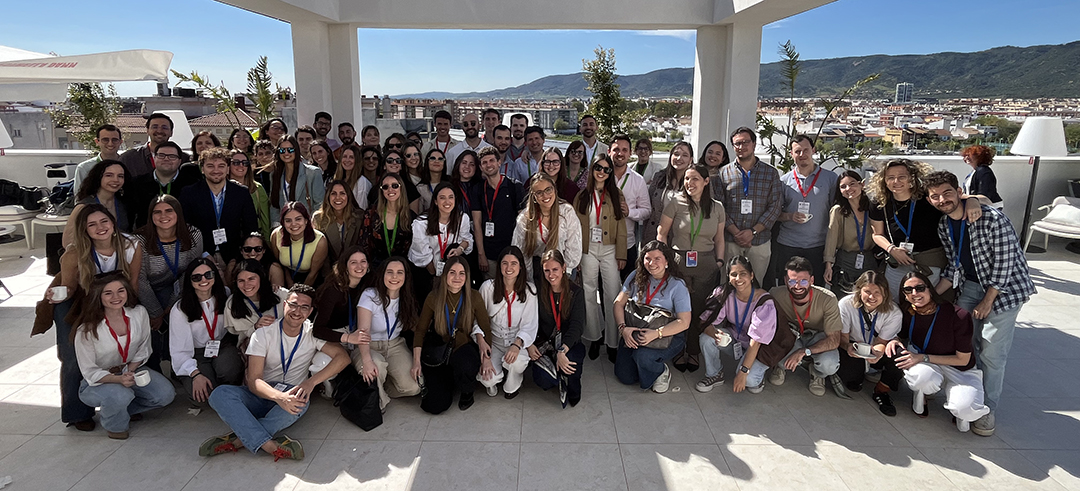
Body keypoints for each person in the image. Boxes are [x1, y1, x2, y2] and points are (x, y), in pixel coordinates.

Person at [926, 170, 1034, 436]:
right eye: (935, 196)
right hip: (971, 285)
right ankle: (968, 398)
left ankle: (987, 408)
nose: (942, 200)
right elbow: (954, 266)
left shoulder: (991, 218)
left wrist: (988, 300)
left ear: (960, 192)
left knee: (992, 351)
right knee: (966, 343)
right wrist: (931, 295)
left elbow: (1006, 263)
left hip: (1005, 290)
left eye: (947, 193)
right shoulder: (944, 225)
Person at [201, 284, 350, 460]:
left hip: (292, 393)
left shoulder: (312, 332)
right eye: (293, 304)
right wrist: (279, 397)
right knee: (219, 394)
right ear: (284, 305)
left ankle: (238, 440)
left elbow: (343, 358)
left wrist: (310, 383)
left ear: (310, 311)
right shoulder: (263, 334)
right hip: (263, 392)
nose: (297, 311)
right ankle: (270, 445)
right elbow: (254, 380)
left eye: (304, 307)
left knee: (302, 401)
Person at [47, 203, 142, 432]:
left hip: (117, 300)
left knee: (126, 347)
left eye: (104, 221)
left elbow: (134, 284)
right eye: (92, 224)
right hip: (80, 303)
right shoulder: (74, 252)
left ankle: (126, 403)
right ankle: (77, 412)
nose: (100, 227)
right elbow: (69, 288)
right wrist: (56, 295)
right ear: (85, 230)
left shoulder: (131, 245)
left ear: (113, 223)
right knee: (72, 356)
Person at [74, 273, 175, 439]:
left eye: (121, 291)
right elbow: (90, 372)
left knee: (165, 394)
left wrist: (130, 370)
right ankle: (115, 426)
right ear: (98, 297)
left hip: (131, 370)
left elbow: (144, 347)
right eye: (108, 293)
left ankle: (121, 410)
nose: (116, 297)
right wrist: (118, 379)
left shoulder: (139, 313)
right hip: (98, 381)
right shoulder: (87, 330)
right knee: (122, 394)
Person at [888, 272, 990, 433]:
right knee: (922, 378)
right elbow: (902, 334)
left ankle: (960, 411)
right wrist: (895, 340)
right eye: (908, 290)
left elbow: (963, 360)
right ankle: (921, 394)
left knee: (967, 408)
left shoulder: (959, 315)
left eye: (919, 288)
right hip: (926, 363)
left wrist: (923, 357)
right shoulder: (909, 312)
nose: (915, 294)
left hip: (958, 367)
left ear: (930, 289)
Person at [868, 159, 980, 303]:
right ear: (884, 180)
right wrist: (891, 249)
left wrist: (973, 200)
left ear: (911, 177)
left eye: (902, 176)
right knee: (894, 305)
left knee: (925, 305)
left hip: (929, 264)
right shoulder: (880, 202)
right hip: (897, 261)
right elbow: (877, 234)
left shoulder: (926, 197)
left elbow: (958, 199)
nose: (896, 181)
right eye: (890, 178)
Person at [657, 163, 725, 372]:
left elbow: (720, 239)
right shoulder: (675, 202)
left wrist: (719, 262)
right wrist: (665, 261)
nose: (689, 183)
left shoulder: (717, 207)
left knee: (699, 311)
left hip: (706, 265)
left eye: (695, 178)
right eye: (686, 178)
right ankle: (677, 348)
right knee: (679, 310)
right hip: (679, 264)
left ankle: (693, 351)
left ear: (706, 181)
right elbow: (662, 233)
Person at [697, 256, 794, 394]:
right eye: (733, 274)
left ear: (752, 276)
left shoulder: (763, 302)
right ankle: (714, 374)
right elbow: (705, 322)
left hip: (760, 347)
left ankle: (758, 377)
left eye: (743, 274)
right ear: (728, 277)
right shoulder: (724, 294)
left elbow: (756, 342)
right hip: (737, 339)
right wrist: (715, 334)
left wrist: (743, 372)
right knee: (706, 339)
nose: (738, 279)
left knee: (749, 382)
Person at [411, 257, 493, 413]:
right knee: (434, 406)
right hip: (440, 349)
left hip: (464, 348)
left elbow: (486, 329)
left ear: (467, 276)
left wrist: (487, 359)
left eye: (462, 273)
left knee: (466, 365)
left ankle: (467, 391)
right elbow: (420, 331)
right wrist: (416, 362)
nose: (457, 278)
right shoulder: (433, 297)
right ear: (445, 275)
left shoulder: (474, 297)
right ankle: (448, 380)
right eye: (452, 272)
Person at [612, 241, 691, 392]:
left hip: (666, 334)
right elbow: (618, 304)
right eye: (647, 258)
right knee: (625, 376)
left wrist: (656, 333)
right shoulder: (635, 276)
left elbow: (684, 322)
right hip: (636, 330)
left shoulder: (677, 285)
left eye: (657, 259)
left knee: (643, 357)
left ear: (667, 261)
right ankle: (644, 365)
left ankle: (661, 370)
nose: (651, 263)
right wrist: (623, 328)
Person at [136, 195, 204, 369]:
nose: (163, 216)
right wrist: (156, 312)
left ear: (178, 213)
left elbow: (192, 271)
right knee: (149, 321)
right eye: (157, 212)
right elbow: (139, 278)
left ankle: (178, 363)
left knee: (180, 310)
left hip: (180, 287)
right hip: (148, 289)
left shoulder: (193, 234)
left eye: (168, 211)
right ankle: (153, 365)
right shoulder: (140, 239)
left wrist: (170, 305)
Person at [170, 259, 244, 407]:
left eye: (208, 275)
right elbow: (179, 350)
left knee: (231, 372)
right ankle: (183, 376)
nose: (203, 280)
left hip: (222, 346)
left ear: (215, 276)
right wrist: (195, 374)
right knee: (204, 396)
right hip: (195, 353)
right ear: (189, 281)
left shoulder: (226, 294)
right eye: (197, 277)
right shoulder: (180, 309)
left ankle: (217, 375)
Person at [574, 153, 627, 362]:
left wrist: (622, 253)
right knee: (588, 292)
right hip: (588, 249)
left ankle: (613, 341)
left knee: (613, 292)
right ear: (592, 169)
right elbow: (575, 229)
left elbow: (622, 226)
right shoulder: (582, 195)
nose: (602, 172)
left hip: (610, 249)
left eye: (607, 169)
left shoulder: (616, 194)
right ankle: (594, 336)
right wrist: (576, 255)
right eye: (599, 167)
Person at [352, 257, 423, 409]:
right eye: (389, 272)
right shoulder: (370, 295)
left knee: (413, 387)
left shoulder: (406, 297)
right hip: (368, 345)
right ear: (382, 274)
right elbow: (362, 333)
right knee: (375, 364)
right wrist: (366, 360)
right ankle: (378, 402)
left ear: (406, 276)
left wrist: (417, 361)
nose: (394, 277)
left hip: (395, 345)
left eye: (399, 272)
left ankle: (380, 388)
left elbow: (418, 330)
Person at [768, 256, 843, 397]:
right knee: (780, 359)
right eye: (792, 281)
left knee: (829, 364)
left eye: (803, 281)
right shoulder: (775, 294)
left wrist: (804, 352)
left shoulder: (828, 299)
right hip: (792, 335)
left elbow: (834, 340)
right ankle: (780, 366)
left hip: (818, 338)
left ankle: (817, 373)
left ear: (812, 281)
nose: (797, 286)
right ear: (785, 281)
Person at [717, 127, 783, 283]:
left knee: (755, 284)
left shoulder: (770, 173)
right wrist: (736, 232)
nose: (741, 147)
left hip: (759, 241)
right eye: (737, 144)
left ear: (754, 144)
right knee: (728, 284)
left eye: (745, 142)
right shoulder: (723, 173)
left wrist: (752, 232)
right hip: (730, 241)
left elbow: (775, 206)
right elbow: (719, 208)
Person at [773, 135, 838, 286]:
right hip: (788, 245)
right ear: (791, 154)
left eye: (805, 150)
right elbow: (775, 214)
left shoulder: (830, 179)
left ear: (813, 151)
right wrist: (790, 216)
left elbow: (836, 212)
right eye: (797, 151)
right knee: (787, 288)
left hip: (818, 246)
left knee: (815, 290)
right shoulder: (784, 181)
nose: (802, 155)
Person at [837, 271, 904, 415]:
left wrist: (878, 352)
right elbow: (843, 337)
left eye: (877, 292)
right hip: (854, 346)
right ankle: (857, 375)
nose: (872, 297)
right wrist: (847, 346)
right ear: (859, 290)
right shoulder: (846, 304)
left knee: (899, 355)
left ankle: (882, 389)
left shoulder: (894, 312)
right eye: (867, 291)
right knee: (852, 381)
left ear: (885, 293)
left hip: (877, 347)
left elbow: (882, 341)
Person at [180, 147, 260, 266]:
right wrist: (203, 254)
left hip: (234, 257)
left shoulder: (241, 193)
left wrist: (238, 257)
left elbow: (250, 227)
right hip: (200, 256)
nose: (216, 170)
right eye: (210, 166)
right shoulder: (189, 193)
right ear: (202, 169)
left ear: (228, 169)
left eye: (221, 166)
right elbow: (185, 228)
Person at [477, 247, 537, 399]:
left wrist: (517, 345)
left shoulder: (530, 291)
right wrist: (484, 354)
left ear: (520, 267)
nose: (509, 268)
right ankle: (494, 381)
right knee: (488, 379)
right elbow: (477, 319)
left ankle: (513, 382)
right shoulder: (487, 288)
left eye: (513, 263)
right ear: (499, 266)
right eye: (505, 263)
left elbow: (529, 323)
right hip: (494, 342)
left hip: (516, 341)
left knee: (515, 363)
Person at [532, 250, 586, 406]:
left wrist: (563, 350)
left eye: (555, 269)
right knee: (543, 381)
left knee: (571, 367)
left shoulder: (576, 292)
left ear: (564, 267)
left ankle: (565, 376)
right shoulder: (538, 290)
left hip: (569, 342)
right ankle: (556, 376)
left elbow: (577, 325)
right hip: (546, 343)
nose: (551, 275)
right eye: (547, 270)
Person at [514, 173, 581, 285]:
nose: (545, 196)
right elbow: (521, 251)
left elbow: (574, 246)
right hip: (536, 271)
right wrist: (529, 280)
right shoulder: (525, 219)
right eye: (539, 193)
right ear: (533, 196)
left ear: (554, 189)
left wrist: (565, 271)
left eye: (548, 190)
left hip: (564, 268)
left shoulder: (566, 212)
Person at [472, 147, 526, 278]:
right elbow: (477, 224)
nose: (488, 165)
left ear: (499, 162)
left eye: (492, 160)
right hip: (489, 252)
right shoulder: (478, 189)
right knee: (490, 290)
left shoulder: (515, 187)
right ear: (480, 167)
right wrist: (481, 255)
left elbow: (524, 224)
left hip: (512, 250)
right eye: (484, 162)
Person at [824, 170, 880, 296]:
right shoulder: (838, 211)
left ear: (862, 184)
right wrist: (828, 265)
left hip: (869, 259)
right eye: (843, 186)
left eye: (852, 184)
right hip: (846, 261)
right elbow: (831, 238)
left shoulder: (873, 208)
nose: (848, 189)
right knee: (844, 300)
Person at [125, 141, 202, 229]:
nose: (166, 159)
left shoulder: (192, 185)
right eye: (161, 155)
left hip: (183, 236)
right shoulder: (136, 184)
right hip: (146, 237)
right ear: (154, 158)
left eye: (172, 156)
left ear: (180, 161)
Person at [608, 134, 651, 280]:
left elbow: (647, 211)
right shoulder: (600, 176)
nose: (620, 153)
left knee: (627, 287)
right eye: (616, 150)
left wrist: (630, 212)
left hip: (627, 244)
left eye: (624, 150)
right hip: (603, 244)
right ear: (609, 152)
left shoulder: (638, 180)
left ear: (630, 153)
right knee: (604, 289)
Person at [410, 182, 473, 278]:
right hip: (427, 272)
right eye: (442, 198)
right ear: (435, 201)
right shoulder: (421, 224)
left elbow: (466, 240)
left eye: (451, 197)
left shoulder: (462, 218)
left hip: (451, 271)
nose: (447, 202)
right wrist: (437, 276)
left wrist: (459, 249)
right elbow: (422, 255)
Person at [63, 159, 130, 248]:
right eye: (109, 175)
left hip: (122, 254)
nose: (115, 180)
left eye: (120, 176)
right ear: (98, 178)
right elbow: (68, 242)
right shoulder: (84, 206)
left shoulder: (124, 203)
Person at [359, 173, 416, 266]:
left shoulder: (411, 217)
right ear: (381, 191)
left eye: (395, 186)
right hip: (375, 268)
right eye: (385, 187)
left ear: (401, 188)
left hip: (401, 269)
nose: (390, 189)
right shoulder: (371, 214)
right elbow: (364, 244)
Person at [225, 259, 286, 347]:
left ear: (261, 278)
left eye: (251, 279)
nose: (246, 285)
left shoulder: (280, 294)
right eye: (241, 281)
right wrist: (255, 327)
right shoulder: (232, 303)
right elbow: (241, 338)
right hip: (255, 349)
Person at [271, 202, 328, 287]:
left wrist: (299, 292)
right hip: (286, 276)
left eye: (298, 219)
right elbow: (279, 264)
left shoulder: (320, 241)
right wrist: (289, 283)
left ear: (306, 220)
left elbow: (313, 273)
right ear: (283, 222)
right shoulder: (276, 235)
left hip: (311, 279)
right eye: (288, 221)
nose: (293, 224)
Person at [269, 135, 325, 224]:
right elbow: (274, 205)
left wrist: (311, 225)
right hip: (284, 228)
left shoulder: (313, 173)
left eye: (290, 150)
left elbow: (319, 204)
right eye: (282, 150)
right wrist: (276, 226)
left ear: (296, 150)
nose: (286, 153)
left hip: (307, 226)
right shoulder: (274, 175)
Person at [646, 141, 693, 242]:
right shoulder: (659, 177)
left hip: (681, 238)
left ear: (690, 160)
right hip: (655, 234)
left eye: (685, 155)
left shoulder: (695, 181)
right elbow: (648, 204)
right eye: (676, 154)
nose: (679, 158)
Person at [120, 112, 188, 179]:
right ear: (147, 131)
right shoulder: (129, 158)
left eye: (164, 128)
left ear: (171, 132)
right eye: (155, 127)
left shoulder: (184, 159)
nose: (159, 131)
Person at [312, 180, 363, 267]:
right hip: (328, 270)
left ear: (348, 196)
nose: (338, 197)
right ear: (328, 196)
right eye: (333, 193)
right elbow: (320, 254)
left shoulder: (359, 217)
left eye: (342, 193)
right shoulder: (318, 219)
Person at [228, 149, 272, 239]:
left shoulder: (257, 188)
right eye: (236, 162)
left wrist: (268, 243)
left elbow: (265, 219)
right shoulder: (221, 188)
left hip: (253, 237)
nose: (241, 165)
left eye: (245, 162)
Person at [368, 148, 423, 215]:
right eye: (390, 161)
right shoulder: (375, 189)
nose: (394, 163)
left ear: (401, 166)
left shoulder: (411, 188)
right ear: (384, 166)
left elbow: (414, 215)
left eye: (398, 161)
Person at [73, 124, 123, 192]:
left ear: (120, 142)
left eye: (114, 140)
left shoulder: (129, 165)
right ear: (97, 142)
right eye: (105, 140)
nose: (110, 143)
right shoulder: (84, 168)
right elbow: (79, 197)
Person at [416, 148, 448, 212]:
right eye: (432, 158)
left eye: (440, 159)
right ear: (427, 162)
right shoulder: (420, 188)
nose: (436, 161)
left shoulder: (451, 184)